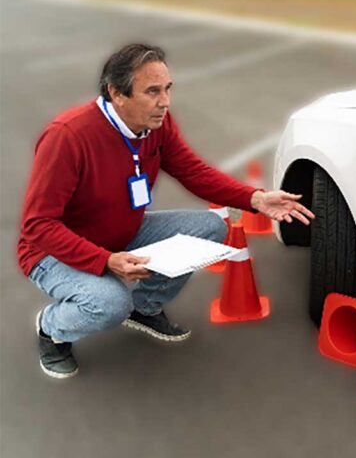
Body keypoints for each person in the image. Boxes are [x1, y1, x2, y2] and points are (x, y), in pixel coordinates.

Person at [18, 43, 315, 379]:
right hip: (51, 254)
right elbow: (38, 225)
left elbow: (194, 172)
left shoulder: (157, 125)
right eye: (153, 91)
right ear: (117, 93)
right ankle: (51, 329)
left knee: (209, 227)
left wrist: (255, 198)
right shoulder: (68, 137)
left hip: (120, 234)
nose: (165, 102)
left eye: (168, 89)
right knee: (111, 303)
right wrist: (105, 261)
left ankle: (144, 308)